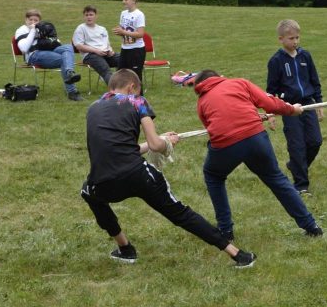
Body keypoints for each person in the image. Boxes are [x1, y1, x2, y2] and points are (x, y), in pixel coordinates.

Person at [80, 69, 256, 267]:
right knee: (180, 213)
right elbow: (155, 145)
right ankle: (238, 255)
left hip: (103, 181)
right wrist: (167, 143)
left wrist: (162, 138)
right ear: (131, 87)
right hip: (139, 176)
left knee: (88, 193)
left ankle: (125, 249)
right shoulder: (137, 102)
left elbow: (124, 149)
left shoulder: (93, 108)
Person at [188, 69, 323, 240]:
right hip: (255, 139)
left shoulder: (202, 101)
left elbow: (213, 126)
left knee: (213, 176)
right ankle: (311, 226)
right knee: (276, 179)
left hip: (226, 145)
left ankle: (225, 231)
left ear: (200, 86)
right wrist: (292, 110)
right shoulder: (239, 83)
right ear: (220, 77)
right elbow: (270, 104)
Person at [266, 19, 324, 195]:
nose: (295, 41)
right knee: (296, 145)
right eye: (291, 38)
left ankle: (296, 166)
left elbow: (314, 81)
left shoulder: (305, 56)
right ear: (281, 39)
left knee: (315, 141)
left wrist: (319, 103)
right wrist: (271, 113)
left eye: (297, 37)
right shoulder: (276, 61)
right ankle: (301, 185)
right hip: (289, 107)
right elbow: (271, 91)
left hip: (308, 104)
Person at [15, 9, 83, 101]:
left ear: (39, 21)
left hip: (49, 51)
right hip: (33, 55)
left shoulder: (43, 27)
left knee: (68, 47)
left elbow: (56, 42)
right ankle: (72, 92)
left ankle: (70, 72)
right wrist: (33, 31)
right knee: (64, 59)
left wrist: (53, 38)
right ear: (26, 20)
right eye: (30, 19)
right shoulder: (21, 30)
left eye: (36, 20)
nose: (33, 22)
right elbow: (23, 48)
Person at [72, 5, 120, 85]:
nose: (89, 17)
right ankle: (116, 89)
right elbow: (79, 46)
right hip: (90, 55)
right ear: (84, 17)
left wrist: (110, 51)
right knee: (105, 70)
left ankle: (124, 83)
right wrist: (96, 51)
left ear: (96, 16)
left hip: (105, 54)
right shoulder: (81, 28)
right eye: (86, 15)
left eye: (91, 15)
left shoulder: (102, 29)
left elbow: (107, 44)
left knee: (125, 59)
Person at [112, 0, 146, 91]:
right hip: (125, 49)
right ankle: (122, 97)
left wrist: (123, 32)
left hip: (136, 50)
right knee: (121, 75)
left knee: (135, 77)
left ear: (134, 0)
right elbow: (124, 29)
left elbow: (140, 34)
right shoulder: (123, 13)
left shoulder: (139, 14)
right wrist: (119, 31)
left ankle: (138, 98)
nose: (123, 2)